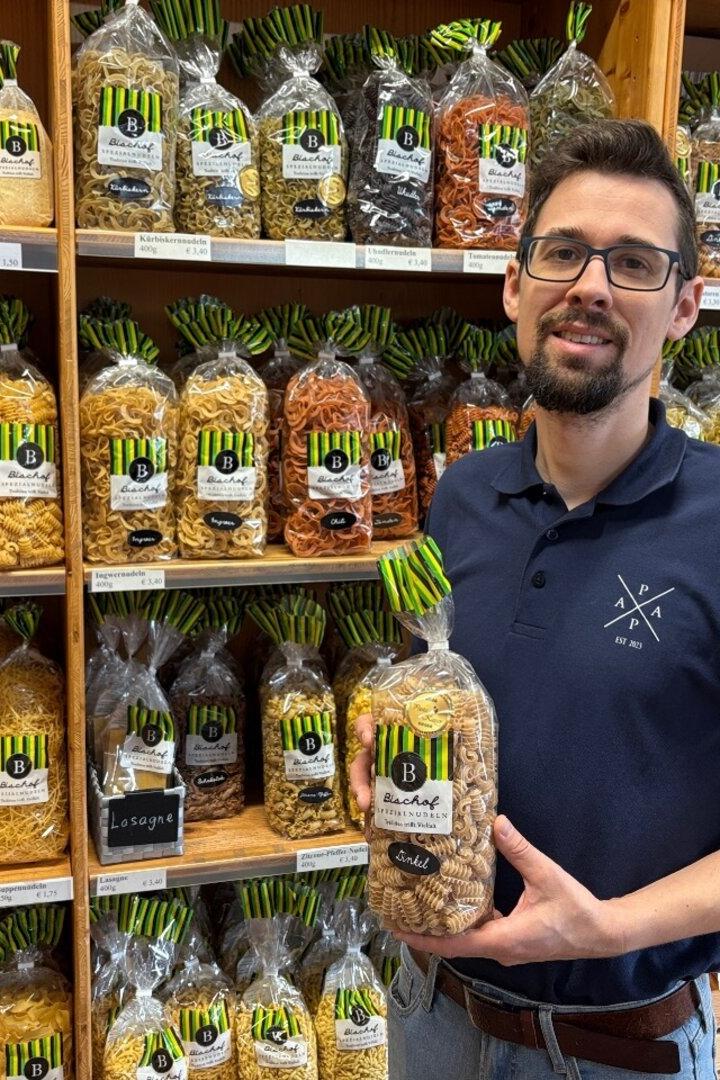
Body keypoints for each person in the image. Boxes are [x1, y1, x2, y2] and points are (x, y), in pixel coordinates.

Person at [351, 119, 720, 1079]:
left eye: (634, 264)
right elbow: (445, 697)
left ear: (685, 305)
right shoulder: (463, 494)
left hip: (618, 1048)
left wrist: (608, 928)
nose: (590, 287)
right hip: (428, 1014)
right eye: (564, 253)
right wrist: (385, 758)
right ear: (515, 285)